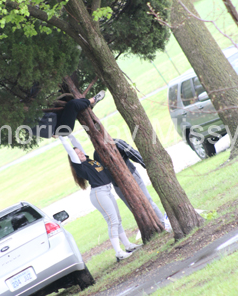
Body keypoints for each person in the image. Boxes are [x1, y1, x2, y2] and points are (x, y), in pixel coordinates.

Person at [59, 134, 139, 262]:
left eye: (81, 153)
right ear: (74, 159)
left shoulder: (89, 160)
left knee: (117, 219)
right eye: (77, 154)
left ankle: (128, 245)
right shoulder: (80, 167)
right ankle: (118, 252)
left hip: (107, 191)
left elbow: (78, 146)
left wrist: (70, 134)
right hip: (99, 193)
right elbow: (71, 151)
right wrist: (62, 138)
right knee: (112, 221)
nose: (80, 154)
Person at [93, 139, 172, 231]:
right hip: (118, 185)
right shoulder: (96, 154)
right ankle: (150, 229)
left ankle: (163, 224)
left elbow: (134, 154)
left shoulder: (117, 143)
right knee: (133, 208)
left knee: (147, 200)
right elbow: (102, 172)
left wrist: (147, 166)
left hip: (133, 177)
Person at [32, 91, 105, 138]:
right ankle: (93, 100)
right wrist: (52, 134)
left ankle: (87, 105)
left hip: (56, 115)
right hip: (61, 129)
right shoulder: (26, 122)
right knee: (73, 105)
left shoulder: (26, 106)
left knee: (64, 96)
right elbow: (45, 133)